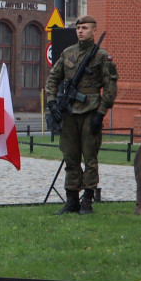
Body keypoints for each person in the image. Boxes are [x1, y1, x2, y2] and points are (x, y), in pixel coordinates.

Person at [45, 15, 118, 215]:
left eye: (85, 27)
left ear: (94, 31)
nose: (80, 31)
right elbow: (53, 79)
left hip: (90, 112)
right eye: (78, 27)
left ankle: (87, 201)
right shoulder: (68, 54)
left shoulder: (102, 56)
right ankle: (71, 201)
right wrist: (52, 102)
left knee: (90, 158)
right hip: (69, 113)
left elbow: (110, 89)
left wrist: (100, 114)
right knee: (70, 157)